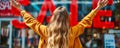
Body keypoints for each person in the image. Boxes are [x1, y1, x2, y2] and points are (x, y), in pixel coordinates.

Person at [10, 0, 108, 48]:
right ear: (67, 19)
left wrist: (20, 9)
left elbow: (32, 22)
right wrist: (97, 8)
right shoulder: (72, 32)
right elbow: (86, 21)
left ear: (53, 18)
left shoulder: (46, 31)